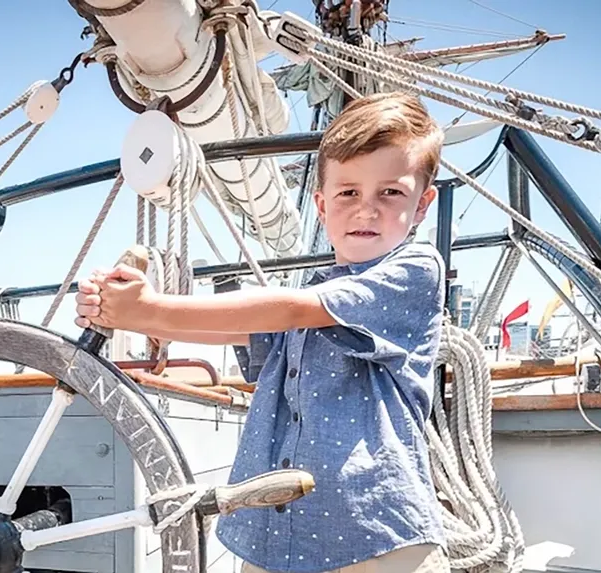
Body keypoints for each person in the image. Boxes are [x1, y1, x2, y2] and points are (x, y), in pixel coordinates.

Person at [75, 92, 450, 573]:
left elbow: (292, 311)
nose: (366, 210)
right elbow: (253, 333)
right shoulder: (315, 290)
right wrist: (126, 311)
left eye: (390, 193)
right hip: (279, 533)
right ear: (321, 203)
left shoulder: (414, 271)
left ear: (423, 205)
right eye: (348, 192)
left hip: (376, 539)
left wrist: (151, 309)